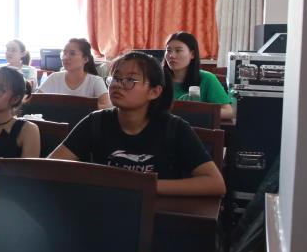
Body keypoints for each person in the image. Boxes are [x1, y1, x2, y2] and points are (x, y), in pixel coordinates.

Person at [50, 51, 226, 197]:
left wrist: (144, 186)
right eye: (115, 78)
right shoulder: (95, 122)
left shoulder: (174, 128)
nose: (117, 85)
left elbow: (215, 183)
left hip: (156, 214)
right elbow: (50, 167)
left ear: (154, 92)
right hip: (105, 209)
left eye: (130, 80)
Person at [163, 31, 234, 121]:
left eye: (178, 50)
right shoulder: (158, 78)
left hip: (194, 128)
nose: (171, 55)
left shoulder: (207, 79)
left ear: (192, 54)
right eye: (168, 50)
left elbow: (229, 112)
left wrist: (195, 112)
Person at [36, 38, 111, 108]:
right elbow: (35, 101)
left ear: (85, 59)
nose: (65, 57)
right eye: (64, 53)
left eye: (72, 53)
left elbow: (107, 106)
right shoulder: (54, 77)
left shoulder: (95, 81)